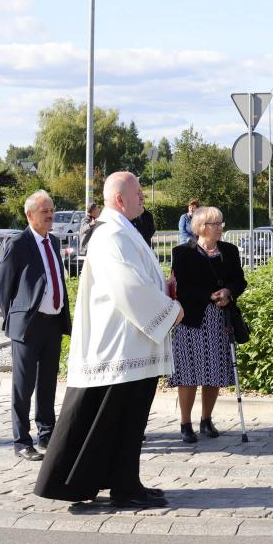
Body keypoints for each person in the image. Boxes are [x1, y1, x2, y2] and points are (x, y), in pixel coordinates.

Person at [34, 172, 184, 509]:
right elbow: (128, 286)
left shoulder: (122, 230)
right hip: (119, 347)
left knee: (129, 422)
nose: (143, 197)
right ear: (119, 199)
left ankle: (127, 482)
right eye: (138, 193)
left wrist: (165, 289)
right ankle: (123, 487)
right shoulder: (110, 234)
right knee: (119, 421)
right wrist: (170, 311)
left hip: (132, 344)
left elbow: (141, 279)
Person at [0, 190, 72, 461]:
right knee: (23, 386)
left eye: (52, 210)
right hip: (28, 326)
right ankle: (21, 441)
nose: (50, 215)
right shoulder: (18, 244)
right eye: (45, 211)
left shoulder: (53, 241)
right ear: (30, 215)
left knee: (48, 383)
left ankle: (47, 433)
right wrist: (16, 317)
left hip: (52, 324)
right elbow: (3, 287)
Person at [168, 206, 246, 443]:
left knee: (214, 371)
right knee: (188, 373)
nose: (220, 227)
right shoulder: (182, 253)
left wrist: (228, 292)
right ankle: (185, 423)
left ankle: (206, 419)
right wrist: (208, 295)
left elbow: (239, 280)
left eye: (221, 223)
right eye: (215, 224)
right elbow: (181, 288)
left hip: (219, 319)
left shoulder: (229, 251)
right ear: (201, 227)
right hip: (191, 319)